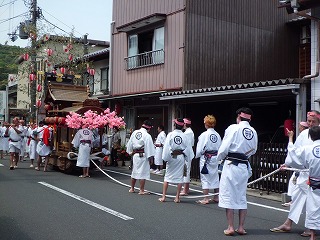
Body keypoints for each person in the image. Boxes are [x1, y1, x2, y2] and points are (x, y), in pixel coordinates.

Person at [270, 110, 320, 237]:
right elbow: (296, 152)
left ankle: (311, 228)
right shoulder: (304, 134)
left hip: (315, 174)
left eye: (313, 121)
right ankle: (288, 223)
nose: (310, 123)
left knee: (312, 202)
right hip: (303, 173)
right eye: (308, 121)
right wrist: (287, 164)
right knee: (297, 198)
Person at [216, 107, 258, 236]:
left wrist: (219, 159)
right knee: (241, 196)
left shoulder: (233, 128)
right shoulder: (253, 131)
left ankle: (230, 227)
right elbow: (254, 150)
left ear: (239, 117)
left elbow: (224, 147)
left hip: (231, 165)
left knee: (229, 195)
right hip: (244, 166)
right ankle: (241, 227)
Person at [285, 126, 320, 240]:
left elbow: (293, 158)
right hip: (314, 182)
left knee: (313, 208)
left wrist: (290, 139)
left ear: (310, 136)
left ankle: (313, 235)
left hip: (314, 183)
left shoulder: (307, 149)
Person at [158, 118, 194, 203]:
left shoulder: (170, 134)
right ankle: (177, 197)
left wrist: (165, 158)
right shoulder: (184, 135)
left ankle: (163, 196)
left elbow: (167, 147)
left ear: (175, 125)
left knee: (167, 176)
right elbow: (188, 148)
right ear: (182, 126)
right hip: (180, 157)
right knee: (179, 178)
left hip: (172, 156)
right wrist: (187, 158)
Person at [195, 115, 222, 204]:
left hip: (206, 158)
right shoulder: (217, 134)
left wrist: (198, 154)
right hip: (215, 157)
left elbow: (200, 148)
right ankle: (216, 196)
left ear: (206, 124)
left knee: (205, 177)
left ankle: (206, 198)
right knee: (215, 176)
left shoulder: (204, 134)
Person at [282, 121, 309, 207]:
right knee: (294, 183)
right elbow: (295, 152)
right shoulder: (303, 135)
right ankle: (293, 202)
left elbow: (293, 151)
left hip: (306, 169)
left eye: (300, 126)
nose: (299, 128)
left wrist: (290, 138)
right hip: (301, 169)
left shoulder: (305, 135)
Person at [126, 120, 155, 194]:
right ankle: (141, 190)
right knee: (143, 172)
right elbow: (149, 147)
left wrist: (130, 152)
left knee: (135, 171)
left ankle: (132, 188)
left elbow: (130, 143)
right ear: (149, 128)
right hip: (143, 155)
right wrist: (150, 157)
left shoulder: (135, 132)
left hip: (135, 155)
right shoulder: (147, 135)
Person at [180, 117, 195, 196]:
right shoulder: (189, 132)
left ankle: (185, 190)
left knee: (186, 171)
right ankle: (186, 188)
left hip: (187, 153)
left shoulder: (187, 133)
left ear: (185, 124)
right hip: (188, 152)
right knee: (186, 170)